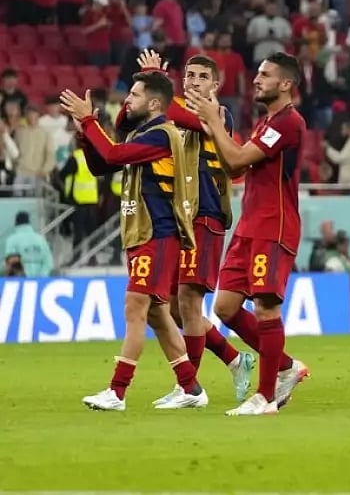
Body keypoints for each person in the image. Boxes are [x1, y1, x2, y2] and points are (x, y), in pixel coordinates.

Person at [61, 72, 208, 411]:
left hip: (157, 234)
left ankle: (117, 391)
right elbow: (101, 166)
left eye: (135, 94)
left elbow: (112, 155)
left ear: (154, 103)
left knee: (134, 305)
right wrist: (85, 132)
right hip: (142, 233)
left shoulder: (162, 135)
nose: (127, 100)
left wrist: (90, 121)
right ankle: (190, 386)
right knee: (156, 313)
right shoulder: (144, 135)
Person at [188, 52, 310, 415]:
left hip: (274, 225)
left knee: (265, 307)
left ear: (285, 84)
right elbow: (234, 167)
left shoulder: (289, 122)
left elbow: (238, 160)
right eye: (257, 73)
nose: (256, 79)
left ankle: (265, 396)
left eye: (265, 74)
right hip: (249, 226)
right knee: (225, 307)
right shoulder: (265, 123)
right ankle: (286, 366)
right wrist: (214, 128)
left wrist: (214, 120)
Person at [131, 51, 256, 407]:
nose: (195, 81)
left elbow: (176, 114)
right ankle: (234, 359)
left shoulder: (218, 113)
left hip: (205, 214)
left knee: (188, 299)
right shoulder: (174, 113)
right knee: (171, 306)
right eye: (189, 75)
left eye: (203, 76)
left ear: (216, 84)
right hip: (179, 218)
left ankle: (189, 387)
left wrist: (155, 82)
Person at [3, 211, 54, 277]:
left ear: (16, 223)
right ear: (28, 222)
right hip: (41, 280)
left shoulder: (12, 240)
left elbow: (12, 262)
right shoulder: (41, 239)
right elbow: (49, 261)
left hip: (21, 280)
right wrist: (42, 276)